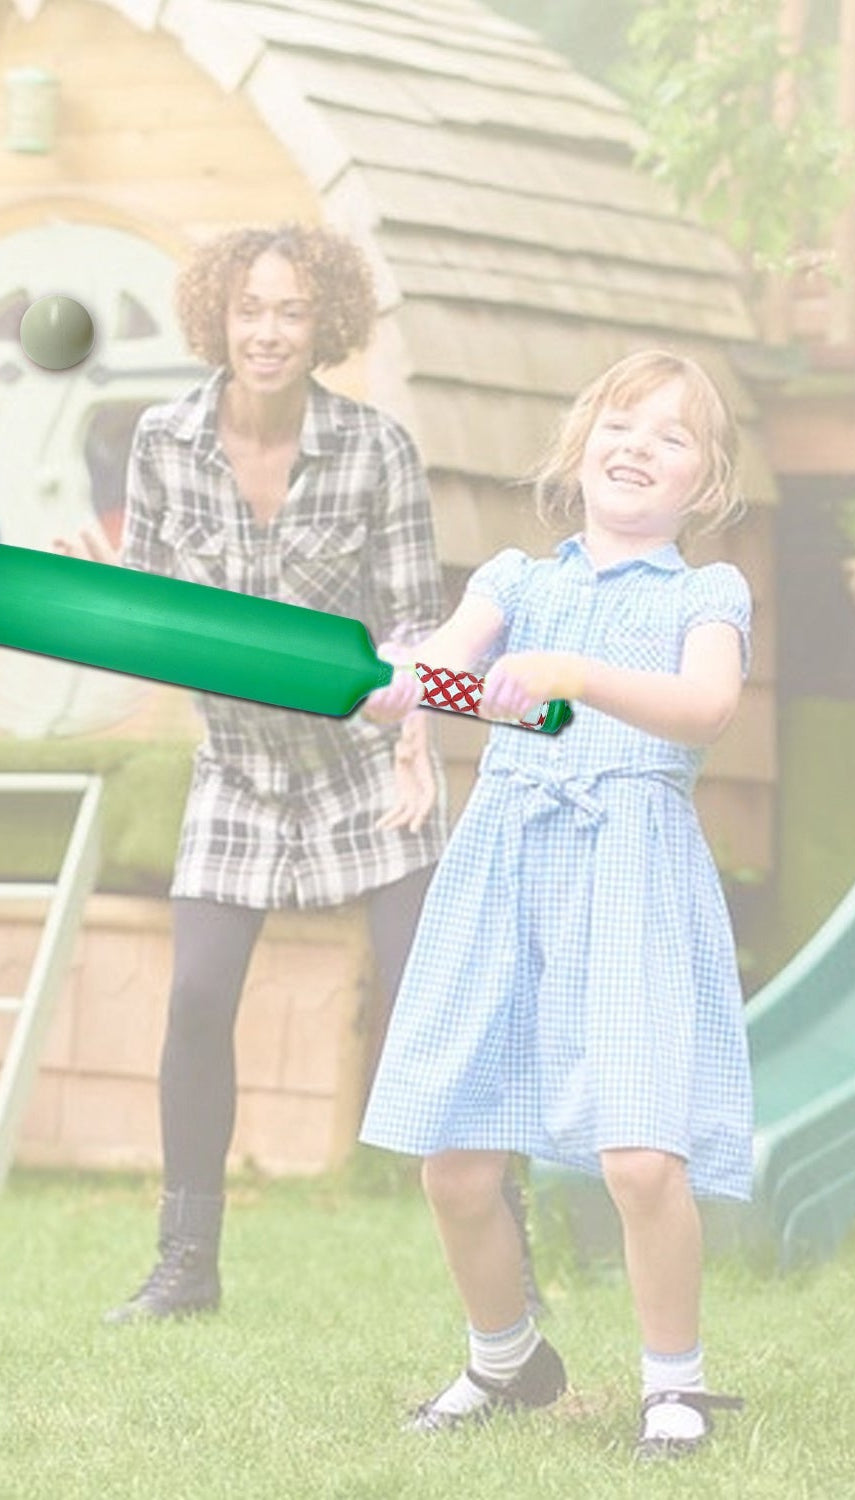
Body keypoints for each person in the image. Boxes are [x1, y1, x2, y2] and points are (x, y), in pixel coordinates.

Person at [53, 223, 538, 1322]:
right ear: (216, 318)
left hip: (370, 759)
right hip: (239, 766)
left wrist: (418, 739)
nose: (267, 332)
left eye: (290, 311)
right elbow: (153, 615)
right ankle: (188, 1264)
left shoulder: (376, 448)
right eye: (249, 310)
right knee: (196, 998)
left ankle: (510, 1240)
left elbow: (420, 620)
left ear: (326, 323)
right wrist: (94, 614)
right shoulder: (165, 441)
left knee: (433, 1001)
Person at [360, 349, 755, 1461]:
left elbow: (705, 708)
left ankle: (674, 1386)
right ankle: (505, 1362)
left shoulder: (702, 594)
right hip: (503, 868)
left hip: (629, 871)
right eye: (619, 424)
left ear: (703, 484)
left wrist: (574, 674)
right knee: (456, 1161)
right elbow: (443, 674)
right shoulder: (514, 581)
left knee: (639, 1157)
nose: (637, 445)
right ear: (580, 452)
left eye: (671, 436)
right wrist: (401, 691)